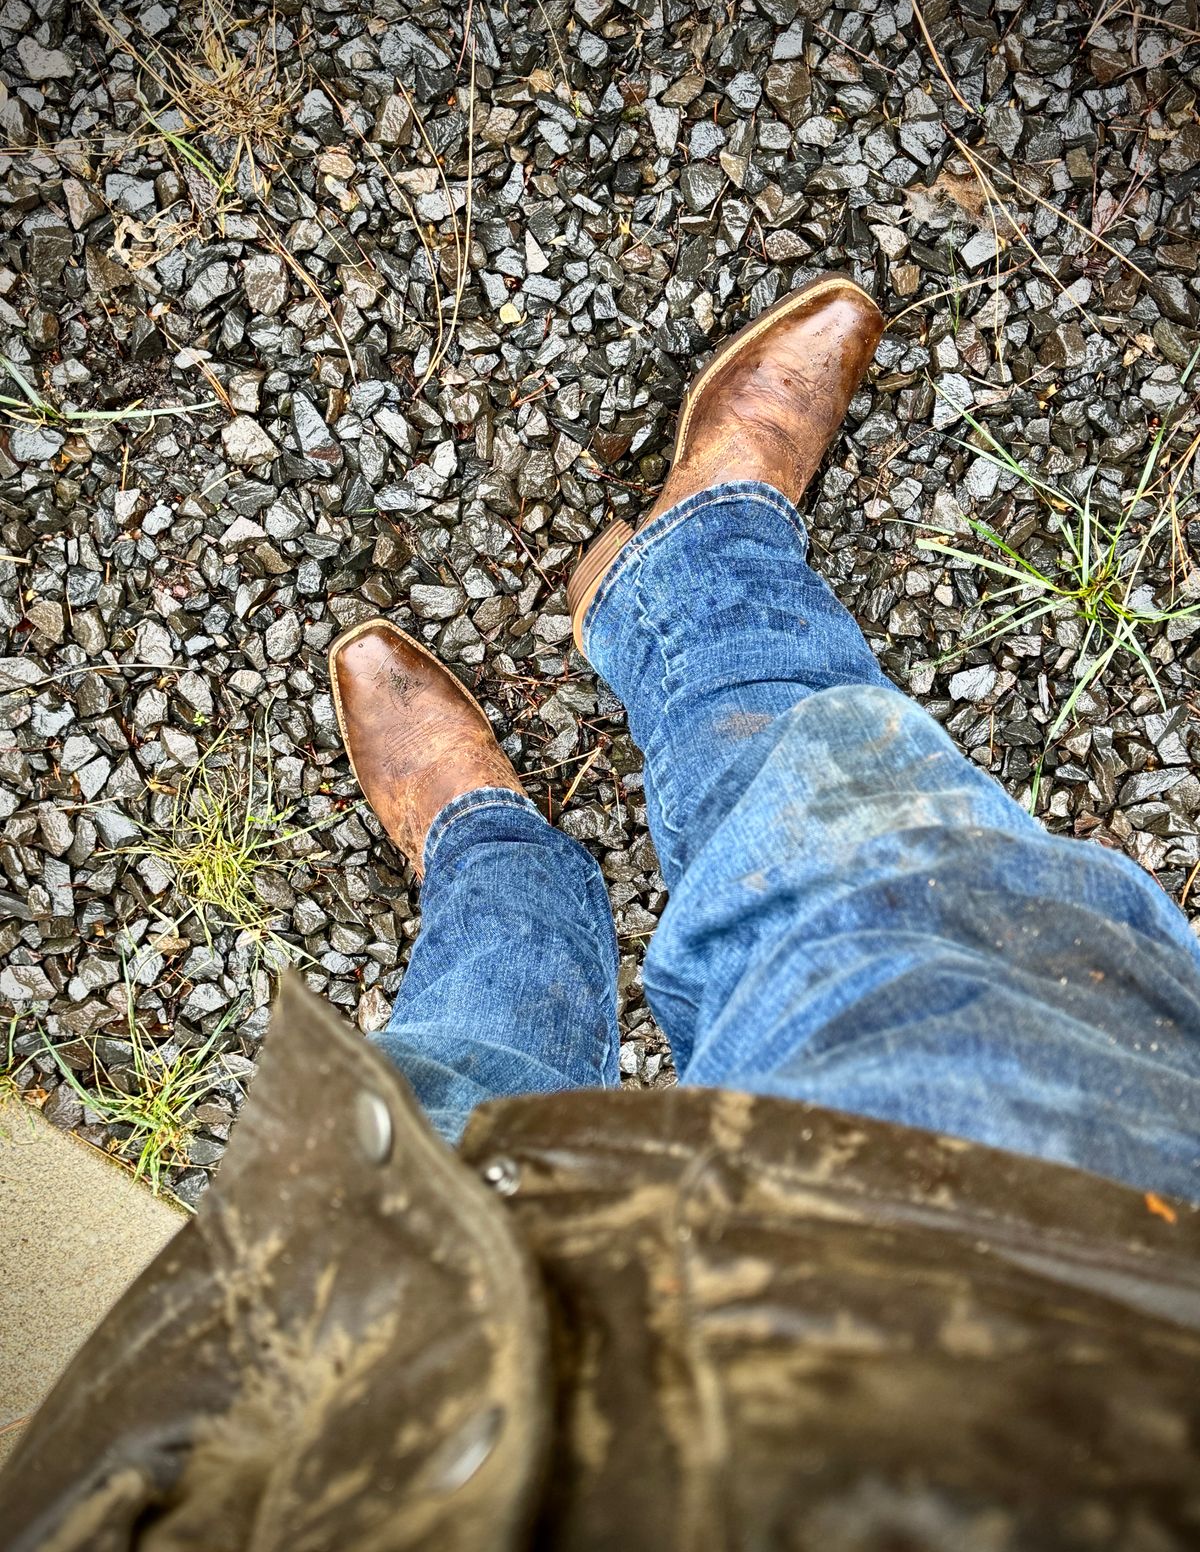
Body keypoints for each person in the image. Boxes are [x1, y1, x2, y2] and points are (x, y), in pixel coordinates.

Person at [8, 275, 1200, 1551]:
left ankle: (491, 855)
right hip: (1094, 1348)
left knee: (434, 1133)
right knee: (908, 927)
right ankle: (701, 568)